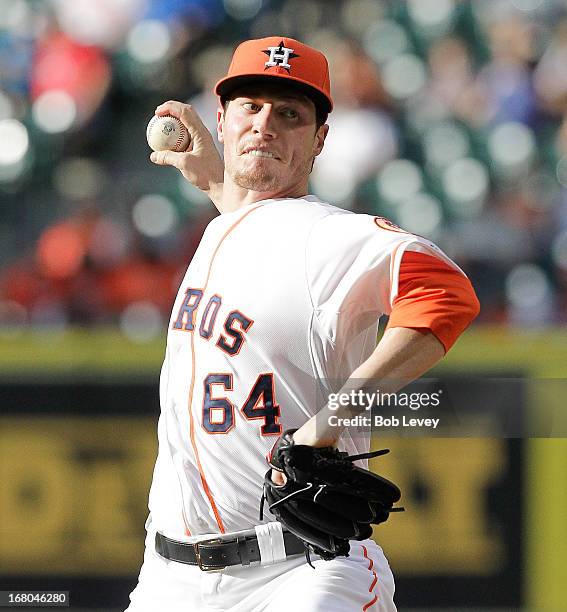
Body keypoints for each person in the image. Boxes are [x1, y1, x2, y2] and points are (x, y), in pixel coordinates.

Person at [126, 36, 480, 612]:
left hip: (300, 571)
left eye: (289, 115)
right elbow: (263, 234)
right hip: (169, 577)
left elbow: (445, 292)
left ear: (319, 140)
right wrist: (221, 185)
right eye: (251, 106)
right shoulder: (227, 225)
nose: (266, 124)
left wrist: (331, 418)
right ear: (222, 119)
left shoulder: (331, 236)